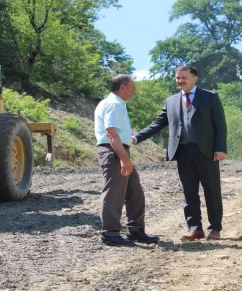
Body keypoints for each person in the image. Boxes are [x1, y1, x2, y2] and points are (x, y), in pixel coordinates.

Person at [132, 65, 227, 241]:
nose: (180, 81)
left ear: (195, 78)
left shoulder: (210, 97)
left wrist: (220, 148)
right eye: (177, 78)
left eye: (183, 78)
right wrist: (137, 137)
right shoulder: (171, 101)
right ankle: (195, 228)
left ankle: (215, 228)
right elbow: (157, 124)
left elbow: (220, 125)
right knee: (189, 192)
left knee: (211, 190)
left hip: (206, 151)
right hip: (182, 151)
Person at [94, 74, 160, 247]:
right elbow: (111, 133)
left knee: (134, 192)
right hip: (113, 151)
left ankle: (136, 231)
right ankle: (110, 234)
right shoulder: (114, 104)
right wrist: (124, 159)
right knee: (114, 193)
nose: (135, 89)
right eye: (132, 85)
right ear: (122, 87)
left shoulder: (116, 103)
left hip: (118, 150)